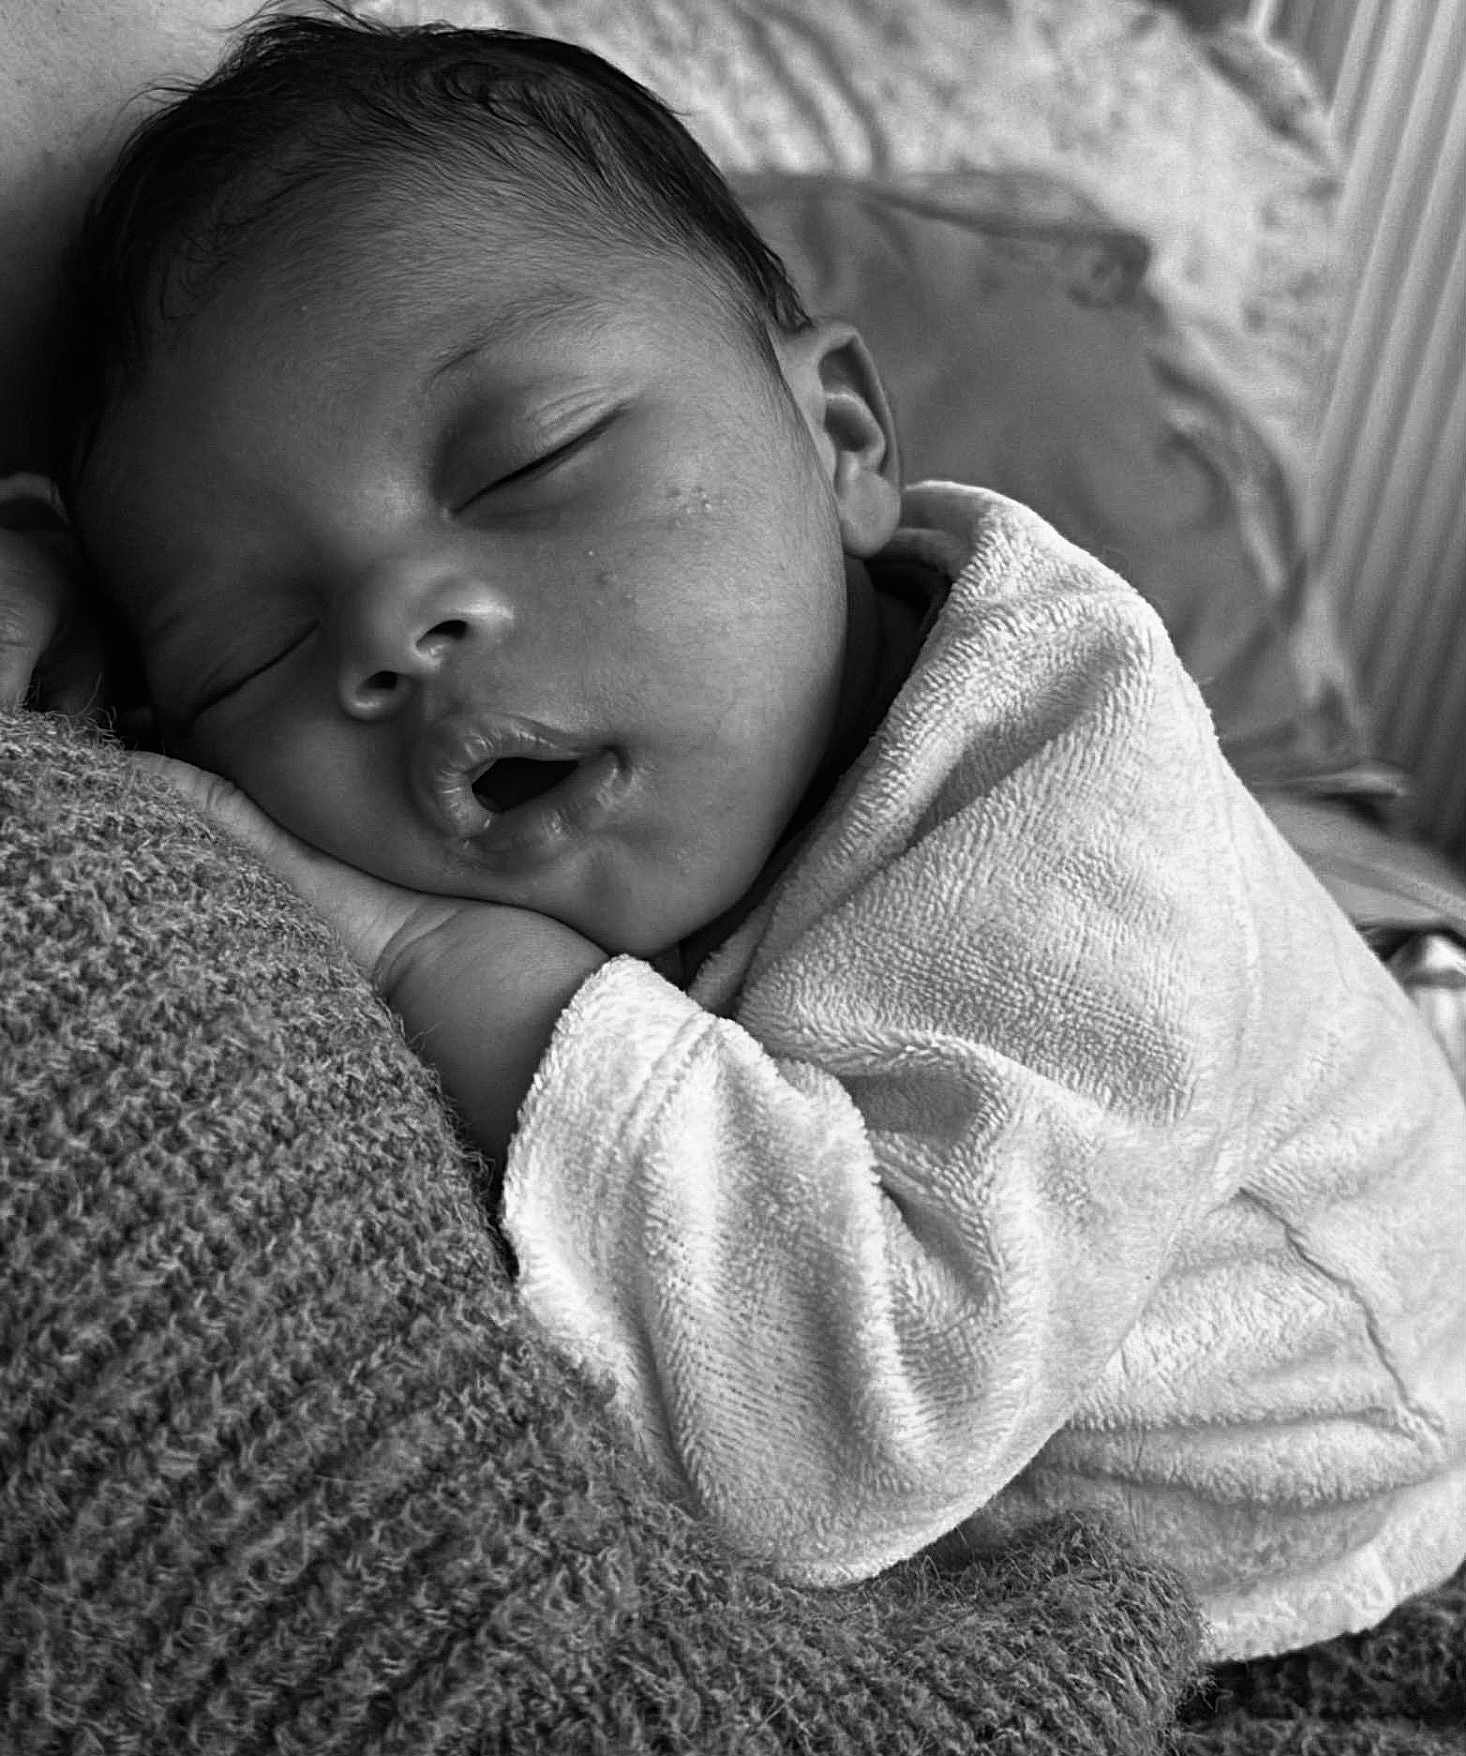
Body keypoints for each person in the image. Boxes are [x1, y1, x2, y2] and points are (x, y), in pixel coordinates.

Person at [8, 11, 1466, 1664]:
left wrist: (433, 960)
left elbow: (839, 1426)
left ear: (841, 441)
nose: (397, 627)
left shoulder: (1076, 828)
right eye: (245, 651)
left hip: (1324, 1524)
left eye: (532, 460)